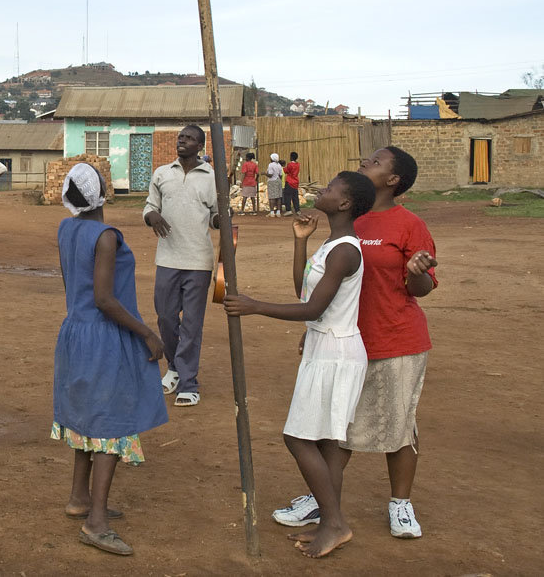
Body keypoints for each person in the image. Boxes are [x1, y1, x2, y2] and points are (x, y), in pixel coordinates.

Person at [272, 147, 438, 541]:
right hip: (346, 340)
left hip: (395, 338)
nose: (367, 162)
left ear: (394, 180)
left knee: (399, 425)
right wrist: (311, 325)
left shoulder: (408, 224)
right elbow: (325, 293)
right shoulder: (349, 222)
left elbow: (424, 287)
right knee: (336, 427)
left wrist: (417, 272)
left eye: (376, 162)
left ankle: (400, 503)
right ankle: (324, 501)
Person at [223, 170, 377, 558]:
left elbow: (313, 308)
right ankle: (330, 522)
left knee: (298, 437)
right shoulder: (331, 244)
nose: (320, 191)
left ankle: (335, 522)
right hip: (324, 349)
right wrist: (299, 243)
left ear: (344, 203)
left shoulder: (345, 250)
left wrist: (255, 306)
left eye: (330, 189)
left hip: (336, 353)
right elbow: (304, 291)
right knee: (325, 442)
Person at [54, 163, 167, 556]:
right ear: (105, 193)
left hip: (75, 332)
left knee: (87, 417)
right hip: (104, 337)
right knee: (111, 425)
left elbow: (77, 288)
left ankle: (79, 497)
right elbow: (104, 299)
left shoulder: (67, 229)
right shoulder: (105, 237)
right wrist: (147, 332)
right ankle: (96, 522)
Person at [143, 125, 220, 407]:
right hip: (167, 258)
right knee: (165, 317)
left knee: (191, 324)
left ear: (200, 146)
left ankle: (188, 382)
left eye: (189, 139)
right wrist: (151, 216)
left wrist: (222, 219)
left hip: (199, 260)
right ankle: (175, 367)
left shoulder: (212, 177)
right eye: (180, 137)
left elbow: (214, 217)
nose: (182, 141)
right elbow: (150, 206)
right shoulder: (162, 174)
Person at [283, 151, 302, 216]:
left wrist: (283, 168)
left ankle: (288, 210)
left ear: (291, 157)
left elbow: (286, 171)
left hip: (289, 181)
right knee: (295, 197)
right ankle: (297, 210)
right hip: (296, 182)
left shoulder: (290, 164)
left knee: (287, 196)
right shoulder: (298, 164)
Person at [266, 152, 284, 217]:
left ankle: (272, 212)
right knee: (278, 197)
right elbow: (281, 175)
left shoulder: (270, 165)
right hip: (278, 181)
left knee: (272, 197)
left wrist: (265, 174)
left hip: (272, 181)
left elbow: (270, 175)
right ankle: (278, 212)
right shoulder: (279, 165)